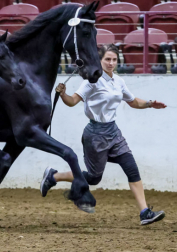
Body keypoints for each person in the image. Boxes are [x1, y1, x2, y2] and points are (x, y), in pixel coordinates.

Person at [40, 44, 167, 225]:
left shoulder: (118, 81)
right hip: (95, 134)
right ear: (99, 60)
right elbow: (72, 101)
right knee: (93, 178)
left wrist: (149, 103)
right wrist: (63, 94)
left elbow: (132, 101)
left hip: (113, 131)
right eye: (107, 59)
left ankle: (144, 212)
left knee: (132, 169)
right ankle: (53, 176)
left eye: (114, 59)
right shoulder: (91, 81)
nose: (111, 63)